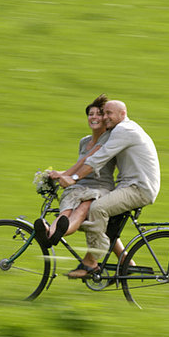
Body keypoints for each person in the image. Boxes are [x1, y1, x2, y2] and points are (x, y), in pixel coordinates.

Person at [58, 100, 160, 278]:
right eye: (103, 113)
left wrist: (73, 178)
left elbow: (98, 159)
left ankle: (91, 262)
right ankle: (125, 263)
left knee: (97, 208)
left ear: (122, 114)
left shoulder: (123, 130)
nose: (105, 117)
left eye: (108, 114)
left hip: (138, 188)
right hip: (131, 185)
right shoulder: (121, 129)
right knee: (106, 222)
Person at [33, 95, 128, 260]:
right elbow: (81, 167)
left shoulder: (109, 138)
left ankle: (60, 232)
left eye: (99, 114)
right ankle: (50, 232)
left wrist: (68, 175)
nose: (94, 117)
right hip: (80, 184)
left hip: (99, 187)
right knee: (67, 207)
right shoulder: (84, 142)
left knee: (84, 207)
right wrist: (57, 174)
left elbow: (87, 161)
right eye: (91, 114)